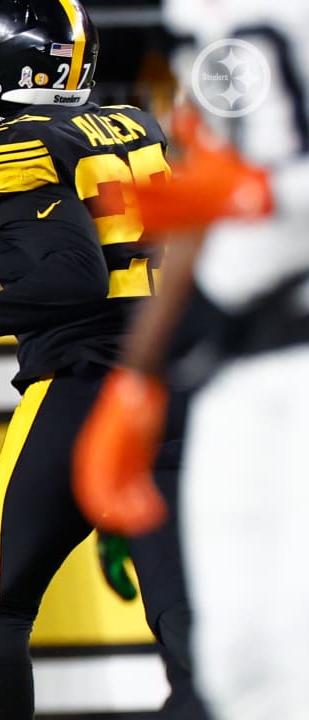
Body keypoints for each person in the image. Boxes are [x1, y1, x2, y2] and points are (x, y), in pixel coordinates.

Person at [0, 2, 198, 717]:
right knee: (179, 620)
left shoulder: (15, 146)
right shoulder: (137, 126)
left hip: (82, 391)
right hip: (167, 389)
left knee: (2, 611)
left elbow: (73, 278)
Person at [73, 2, 309, 715]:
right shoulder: (202, 22)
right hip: (232, 364)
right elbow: (201, 215)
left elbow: (244, 190)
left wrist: (267, 191)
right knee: (235, 658)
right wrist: (137, 383)